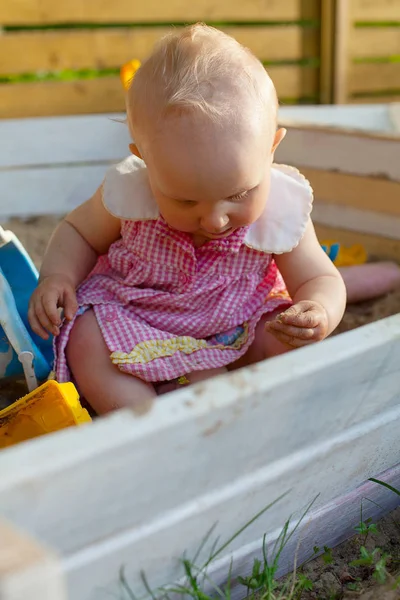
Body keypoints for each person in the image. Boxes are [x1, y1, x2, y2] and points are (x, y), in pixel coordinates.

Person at [28, 24, 346, 415]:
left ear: (272, 149)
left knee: (288, 336)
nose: (214, 220)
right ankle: (139, 416)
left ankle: (233, 392)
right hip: (137, 317)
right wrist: (58, 276)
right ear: (146, 162)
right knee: (85, 335)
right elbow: (78, 232)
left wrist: (319, 310)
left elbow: (321, 278)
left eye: (237, 195)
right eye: (185, 199)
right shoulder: (130, 194)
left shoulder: (281, 207)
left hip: (236, 325)